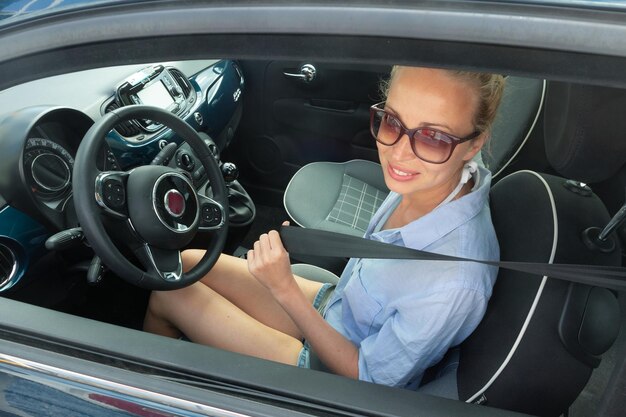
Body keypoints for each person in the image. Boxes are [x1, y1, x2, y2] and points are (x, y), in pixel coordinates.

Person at [144, 66, 505, 389]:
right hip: (340, 307)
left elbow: (368, 381)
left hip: (330, 375)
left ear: (475, 143)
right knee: (188, 263)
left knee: (168, 295)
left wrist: (284, 288)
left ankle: (144, 395)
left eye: (433, 137)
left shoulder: (452, 283)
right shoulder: (437, 183)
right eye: (392, 121)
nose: (398, 152)